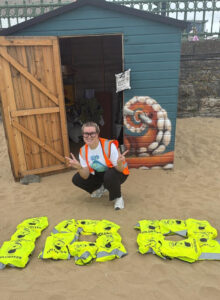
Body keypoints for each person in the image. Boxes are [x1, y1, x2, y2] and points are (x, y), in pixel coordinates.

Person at [65, 122, 129, 210]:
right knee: (77, 178)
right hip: (100, 173)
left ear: (98, 134)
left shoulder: (109, 146)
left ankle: (118, 197)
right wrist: (79, 167)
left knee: (109, 176)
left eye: (92, 133)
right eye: (86, 133)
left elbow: (120, 169)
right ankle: (101, 188)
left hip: (118, 173)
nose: (89, 136)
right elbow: (85, 175)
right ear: (83, 135)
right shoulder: (83, 151)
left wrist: (119, 163)